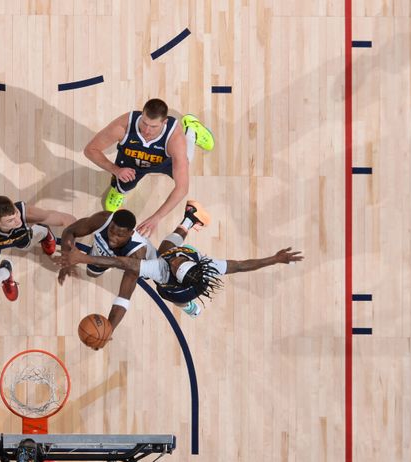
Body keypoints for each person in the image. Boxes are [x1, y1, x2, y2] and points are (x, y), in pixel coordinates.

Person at [53, 200, 303, 322]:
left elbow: (126, 270)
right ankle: (189, 219)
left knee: (172, 296)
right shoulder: (177, 259)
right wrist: (275, 257)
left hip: (183, 289)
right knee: (166, 248)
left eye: (173, 266)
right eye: (175, 261)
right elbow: (239, 264)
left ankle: (189, 307)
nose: (172, 262)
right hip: (181, 262)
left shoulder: (161, 271)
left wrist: (109, 327)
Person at [83, 98, 214, 236]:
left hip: (164, 161)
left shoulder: (174, 138)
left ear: (164, 122)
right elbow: (90, 150)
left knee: (186, 161)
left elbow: (182, 188)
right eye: (144, 123)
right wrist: (116, 170)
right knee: (122, 182)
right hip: (131, 163)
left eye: (153, 127)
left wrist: (156, 217)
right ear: (141, 115)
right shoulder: (124, 125)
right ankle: (118, 191)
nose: (146, 130)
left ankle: (191, 130)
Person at [57, 209, 157, 347]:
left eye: (120, 235)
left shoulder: (137, 255)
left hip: (140, 263)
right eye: (111, 231)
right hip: (102, 253)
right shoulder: (102, 219)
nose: (113, 238)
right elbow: (70, 231)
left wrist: (107, 333)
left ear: (131, 233)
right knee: (91, 272)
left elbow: (123, 297)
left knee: (159, 280)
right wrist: (66, 259)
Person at [0, 196, 76, 301]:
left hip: (19, 237)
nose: (18, 221)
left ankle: (44, 232)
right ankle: (6, 271)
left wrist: (71, 250)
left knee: (27, 245)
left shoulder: (26, 214)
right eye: (11, 220)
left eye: (16, 213)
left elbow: (68, 219)